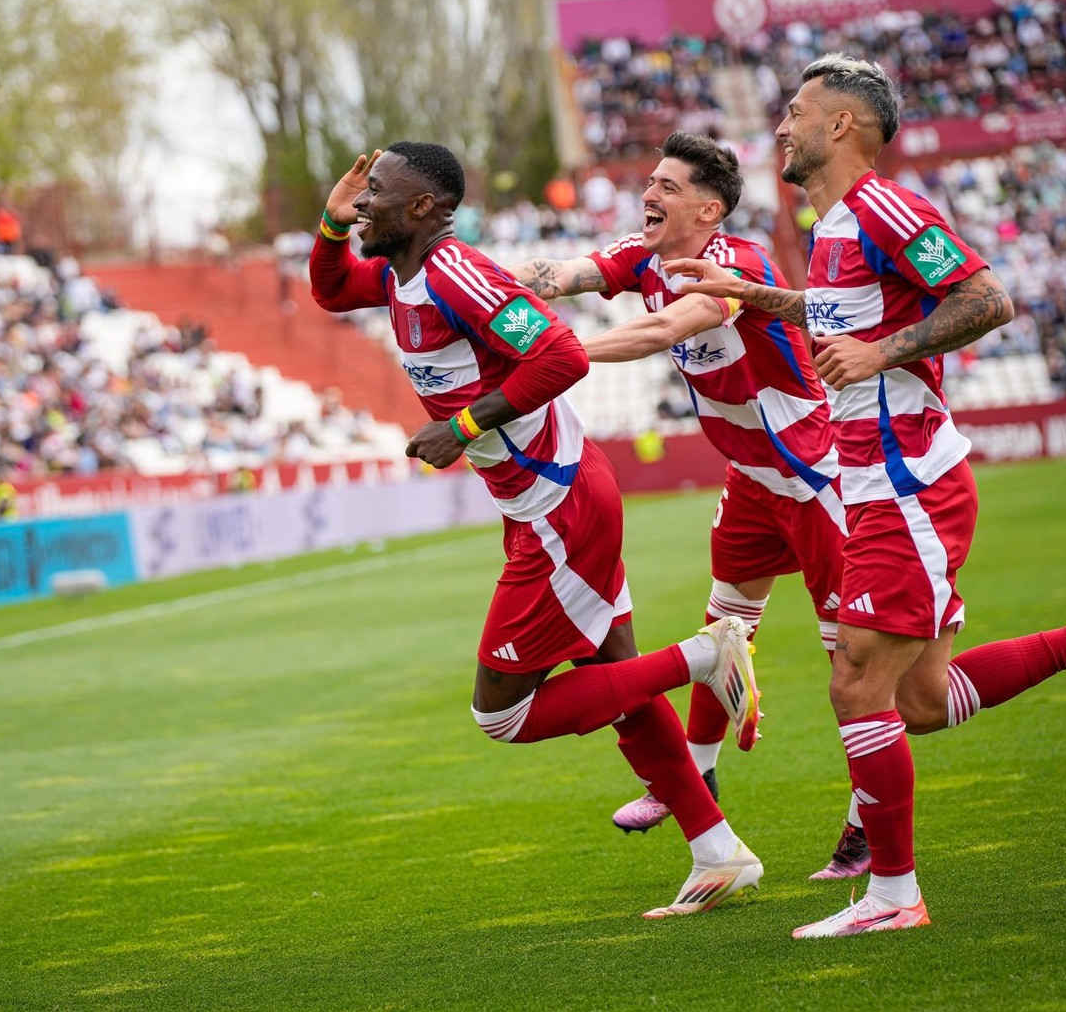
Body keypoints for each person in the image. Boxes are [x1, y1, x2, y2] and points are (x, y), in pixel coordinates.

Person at [665, 54, 1066, 938]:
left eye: (796, 112)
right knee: (916, 701)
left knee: (856, 685)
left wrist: (883, 353)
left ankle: (893, 895)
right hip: (877, 482)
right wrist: (754, 295)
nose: (781, 126)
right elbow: (838, 314)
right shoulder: (834, 225)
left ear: (841, 126)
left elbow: (990, 299)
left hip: (905, 481)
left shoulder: (887, 205)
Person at [309, 141, 764, 918]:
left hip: (559, 509)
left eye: (375, 192)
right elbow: (329, 290)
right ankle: (719, 854)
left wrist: (461, 424)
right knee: (622, 690)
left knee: (502, 714)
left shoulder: (454, 273)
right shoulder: (399, 273)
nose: (363, 204)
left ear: (422, 208)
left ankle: (704, 653)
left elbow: (560, 355)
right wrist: (329, 217)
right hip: (552, 501)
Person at [512, 131, 869, 881]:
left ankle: (866, 822)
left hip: (812, 480)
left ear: (709, 210)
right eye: (651, 181)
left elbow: (665, 329)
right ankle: (693, 782)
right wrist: (474, 290)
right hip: (749, 483)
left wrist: (554, 358)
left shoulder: (736, 265)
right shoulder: (640, 256)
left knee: (855, 671)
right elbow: (558, 274)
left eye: (668, 187)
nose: (649, 193)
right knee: (724, 633)